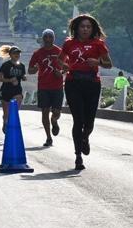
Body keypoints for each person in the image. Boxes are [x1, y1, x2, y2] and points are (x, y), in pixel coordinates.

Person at [61, 14, 112, 170]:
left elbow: (109, 64)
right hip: (73, 83)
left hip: (91, 83)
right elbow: (60, 58)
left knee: (89, 122)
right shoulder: (69, 44)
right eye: (82, 26)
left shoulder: (99, 44)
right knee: (78, 120)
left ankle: (85, 137)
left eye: (88, 27)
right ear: (76, 28)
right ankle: (78, 156)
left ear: (93, 29)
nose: (85, 29)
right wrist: (64, 66)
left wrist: (98, 62)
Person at [28, 28, 64, 147]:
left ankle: (54, 120)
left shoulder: (60, 51)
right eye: (46, 37)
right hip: (43, 86)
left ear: (54, 38)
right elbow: (30, 70)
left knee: (56, 112)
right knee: (44, 112)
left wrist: (61, 72)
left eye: (50, 37)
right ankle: (48, 137)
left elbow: (68, 67)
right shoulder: (37, 53)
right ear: (42, 38)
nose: (48, 39)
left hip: (57, 86)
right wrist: (36, 68)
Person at [0, 45, 26, 133]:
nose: (17, 55)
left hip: (17, 90)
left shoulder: (22, 66)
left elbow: (22, 75)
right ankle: (5, 122)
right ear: (10, 54)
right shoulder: (5, 65)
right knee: (6, 113)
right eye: (15, 53)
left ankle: (12, 126)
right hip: (5, 90)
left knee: (15, 111)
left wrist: (24, 77)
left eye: (18, 53)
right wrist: (9, 80)